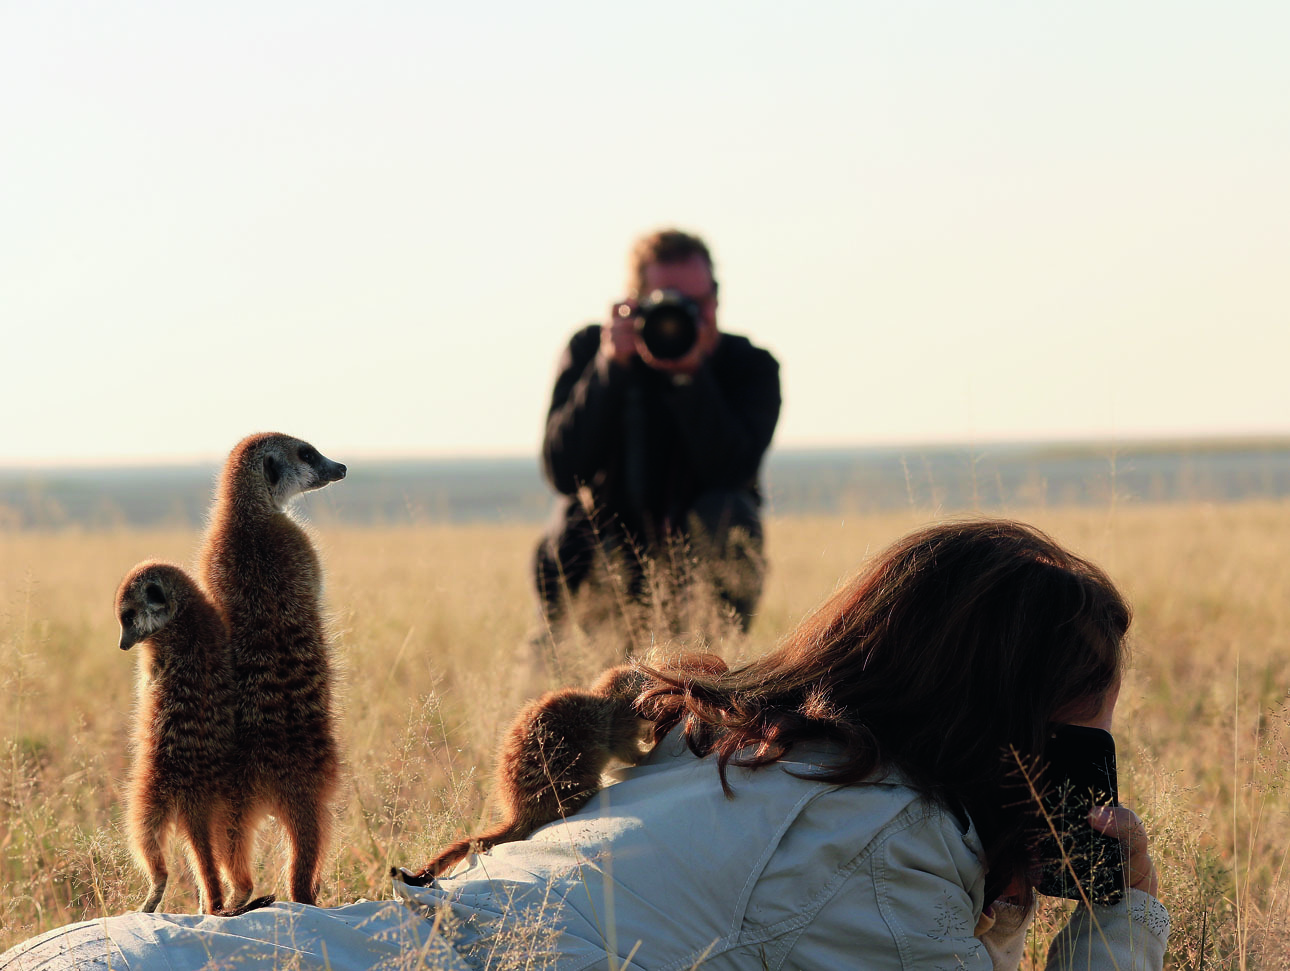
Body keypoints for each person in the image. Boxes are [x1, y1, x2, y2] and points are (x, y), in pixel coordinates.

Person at [1, 520, 1169, 970]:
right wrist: (1122, 914)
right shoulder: (885, 851)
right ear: (999, 729)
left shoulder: (728, 739)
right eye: (1079, 753)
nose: (1078, 785)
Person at [533, 228, 781, 640]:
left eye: (698, 304)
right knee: (574, 523)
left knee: (726, 512)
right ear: (634, 304)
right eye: (669, 304)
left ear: (716, 299)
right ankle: (576, 659)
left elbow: (733, 471)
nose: (686, 319)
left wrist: (690, 377)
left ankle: (705, 667)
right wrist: (610, 371)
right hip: (607, 563)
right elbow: (563, 472)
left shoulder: (749, 367)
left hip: (702, 582)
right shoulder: (592, 352)